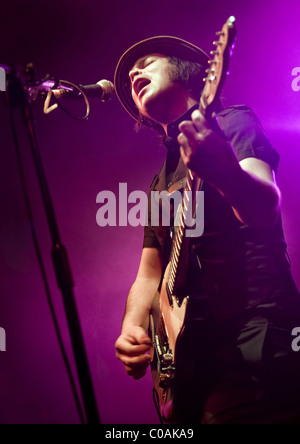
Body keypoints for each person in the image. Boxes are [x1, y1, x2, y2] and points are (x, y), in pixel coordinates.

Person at [114, 35, 300, 424]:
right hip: (193, 357)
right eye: (132, 71)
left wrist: (226, 174)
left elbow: (265, 209)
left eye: (147, 62)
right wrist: (132, 326)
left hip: (256, 332)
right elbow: (149, 274)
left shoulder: (232, 121)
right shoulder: (160, 181)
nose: (134, 72)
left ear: (190, 72)